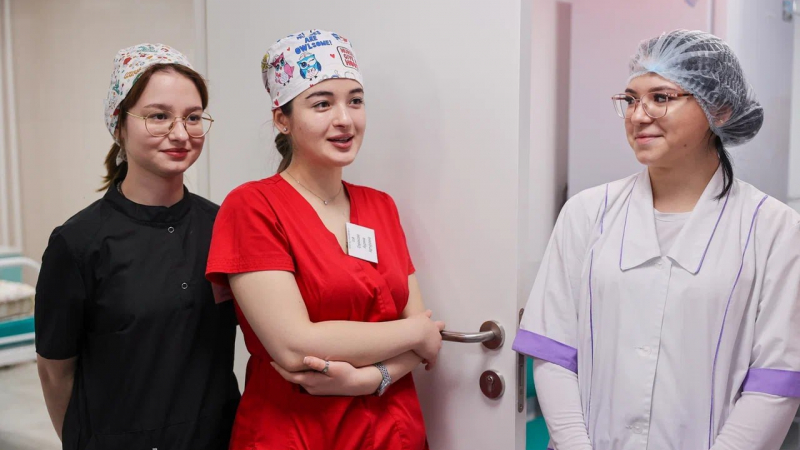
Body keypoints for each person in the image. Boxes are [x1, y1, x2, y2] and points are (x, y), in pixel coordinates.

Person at [513, 29, 800, 450]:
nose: (637, 115)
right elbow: (554, 350)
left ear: (719, 109)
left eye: (661, 97)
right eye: (631, 99)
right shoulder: (586, 212)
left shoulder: (773, 228)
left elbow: (776, 379)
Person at [206, 29, 443, 449]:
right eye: (322, 104)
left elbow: (419, 328)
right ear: (282, 119)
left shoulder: (380, 206)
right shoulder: (252, 207)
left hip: (396, 431)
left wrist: (368, 379)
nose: (345, 119)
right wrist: (417, 335)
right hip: (297, 433)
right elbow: (295, 346)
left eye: (355, 100)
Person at [35, 43, 240, 449]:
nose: (180, 133)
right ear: (119, 126)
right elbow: (55, 372)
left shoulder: (225, 226)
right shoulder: (79, 243)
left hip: (218, 437)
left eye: (193, 117)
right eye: (158, 116)